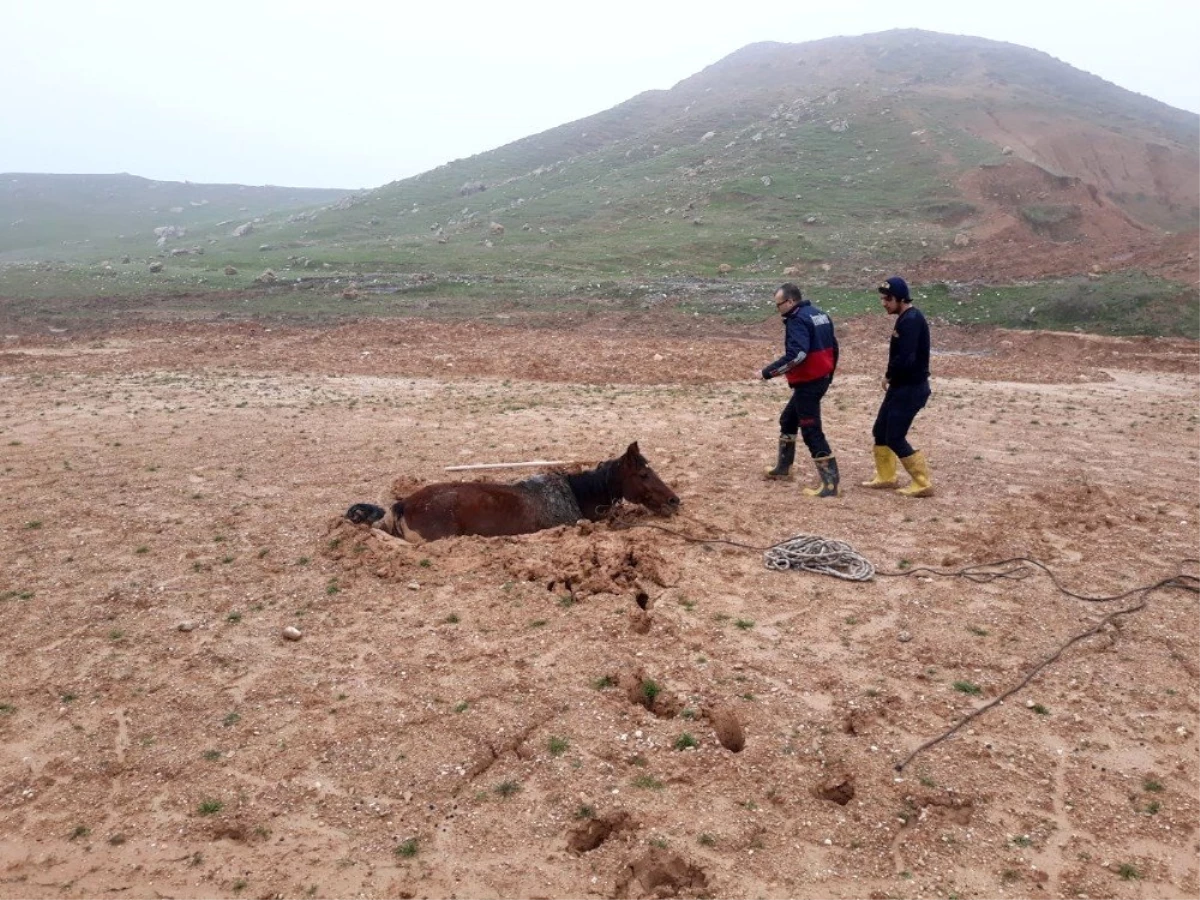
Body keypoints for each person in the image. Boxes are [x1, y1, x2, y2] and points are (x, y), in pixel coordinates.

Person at [760, 283, 840, 497]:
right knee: (788, 420)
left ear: (791, 302)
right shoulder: (819, 314)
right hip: (819, 379)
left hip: (809, 383)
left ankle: (830, 484)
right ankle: (783, 468)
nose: (778, 310)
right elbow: (834, 347)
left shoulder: (797, 320)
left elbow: (798, 355)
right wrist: (829, 375)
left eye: (779, 305)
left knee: (811, 430)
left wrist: (768, 372)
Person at [862, 276, 933, 497]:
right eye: (883, 298)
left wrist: (890, 375)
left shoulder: (911, 320)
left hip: (910, 388)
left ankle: (922, 483)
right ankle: (886, 477)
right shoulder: (904, 317)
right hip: (900, 387)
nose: (884, 303)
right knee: (880, 431)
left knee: (895, 436)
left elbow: (906, 357)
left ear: (900, 298)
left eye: (888, 298)